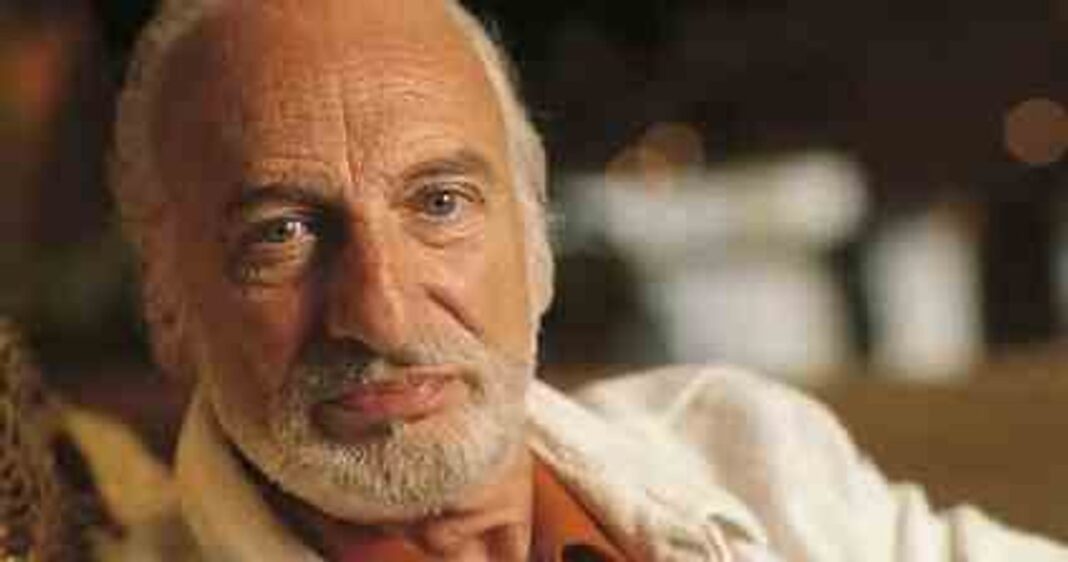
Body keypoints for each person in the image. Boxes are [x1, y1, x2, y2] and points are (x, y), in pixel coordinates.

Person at [106, 0, 1067, 560]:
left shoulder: (741, 449)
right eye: (281, 234)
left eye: (440, 203)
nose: (380, 313)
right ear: (166, 304)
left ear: (537, 248)